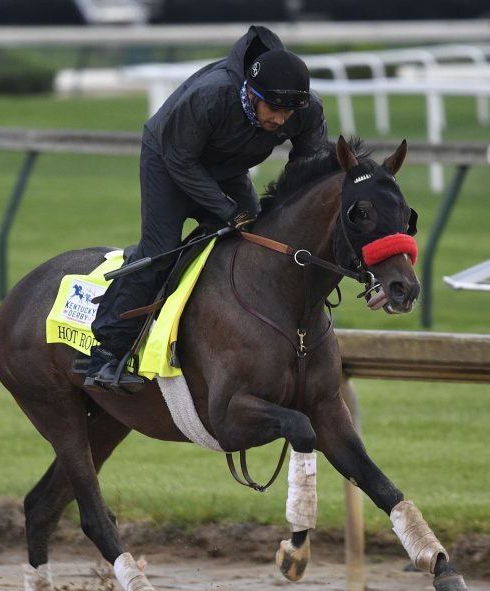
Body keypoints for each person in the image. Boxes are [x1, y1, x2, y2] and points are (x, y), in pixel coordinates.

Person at [86, 25, 329, 393]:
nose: (281, 120)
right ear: (251, 92)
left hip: (227, 167)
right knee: (161, 250)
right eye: (274, 109)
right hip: (169, 160)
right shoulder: (211, 95)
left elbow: (309, 167)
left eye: (290, 111)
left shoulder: (304, 110)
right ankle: (105, 354)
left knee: (258, 242)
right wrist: (226, 211)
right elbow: (180, 160)